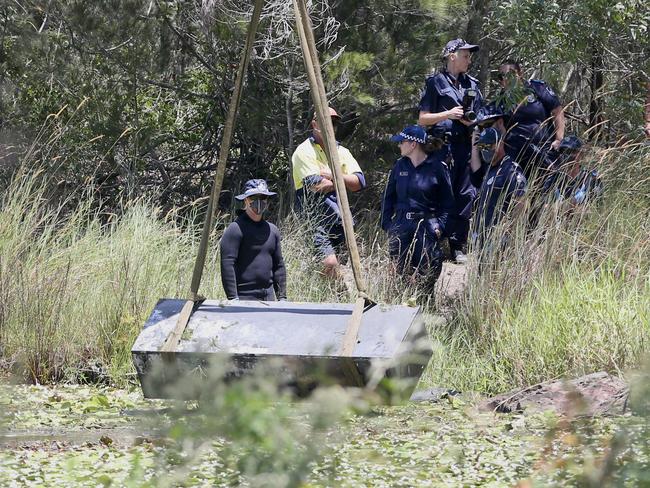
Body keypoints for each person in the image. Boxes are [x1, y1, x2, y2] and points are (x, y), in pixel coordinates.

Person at [418, 38, 483, 264]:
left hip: (464, 147)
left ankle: (457, 246)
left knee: (465, 195)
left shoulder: (472, 84)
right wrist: (448, 114)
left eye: (470, 56)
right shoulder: (435, 83)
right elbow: (423, 119)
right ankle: (434, 242)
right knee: (438, 194)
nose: (469, 59)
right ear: (452, 56)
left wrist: (470, 122)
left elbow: (480, 116)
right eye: (465, 55)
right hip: (440, 148)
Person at [291, 107, 366, 277]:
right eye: (325, 122)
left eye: (333, 123)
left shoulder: (342, 152)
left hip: (340, 220)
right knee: (329, 263)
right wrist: (343, 180)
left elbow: (359, 183)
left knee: (344, 266)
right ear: (314, 124)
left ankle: (334, 298)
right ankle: (335, 296)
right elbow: (317, 185)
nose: (330, 126)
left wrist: (333, 174)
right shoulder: (303, 151)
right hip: (314, 219)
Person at [381, 125, 454, 290]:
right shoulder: (399, 166)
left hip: (426, 227)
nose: (399, 145)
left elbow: (448, 203)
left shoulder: (438, 168)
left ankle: (425, 307)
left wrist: (440, 227)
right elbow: (388, 198)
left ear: (413, 144)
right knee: (399, 274)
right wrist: (387, 225)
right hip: (401, 225)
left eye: (402, 142)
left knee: (427, 273)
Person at [493, 59, 565, 179]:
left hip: (544, 149)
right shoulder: (500, 101)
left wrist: (559, 139)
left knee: (549, 188)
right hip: (516, 156)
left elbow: (557, 111)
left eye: (510, 73)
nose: (506, 78)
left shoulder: (537, 88)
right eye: (502, 76)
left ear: (520, 73)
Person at [220, 179, 287, 301]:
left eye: (263, 197)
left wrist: (282, 298)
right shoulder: (235, 229)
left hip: (269, 298)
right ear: (245, 200)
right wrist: (233, 298)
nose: (259, 202)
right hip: (244, 299)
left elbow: (279, 265)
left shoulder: (272, 230)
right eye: (253, 197)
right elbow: (228, 264)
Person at [470, 127, 527, 247]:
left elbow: (521, 202)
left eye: (488, 146)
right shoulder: (489, 169)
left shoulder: (510, 169)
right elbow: (475, 171)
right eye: (482, 147)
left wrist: (509, 231)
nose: (485, 150)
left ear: (500, 144)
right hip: (482, 239)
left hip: (499, 242)